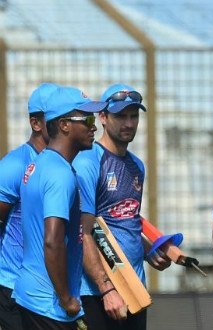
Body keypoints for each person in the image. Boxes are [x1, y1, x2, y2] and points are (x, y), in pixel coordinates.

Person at [72, 84, 171, 330]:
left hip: (134, 288)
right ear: (103, 117)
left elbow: (124, 219)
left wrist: (149, 250)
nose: (129, 123)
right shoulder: (88, 162)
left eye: (133, 116)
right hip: (97, 293)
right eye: (120, 116)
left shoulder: (136, 165)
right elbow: (84, 232)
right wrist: (106, 290)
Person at [13, 86, 107, 330]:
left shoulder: (40, 164)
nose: (94, 126)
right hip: (49, 303)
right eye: (87, 119)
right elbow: (52, 241)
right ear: (64, 125)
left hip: (31, 295)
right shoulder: (60, 174)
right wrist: (66, 299)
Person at [0, 83, 57, 330]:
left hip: (50, 290)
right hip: (12, 288)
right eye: (55, 117)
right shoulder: (15, 164)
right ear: (36, 124)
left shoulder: (65, 165)